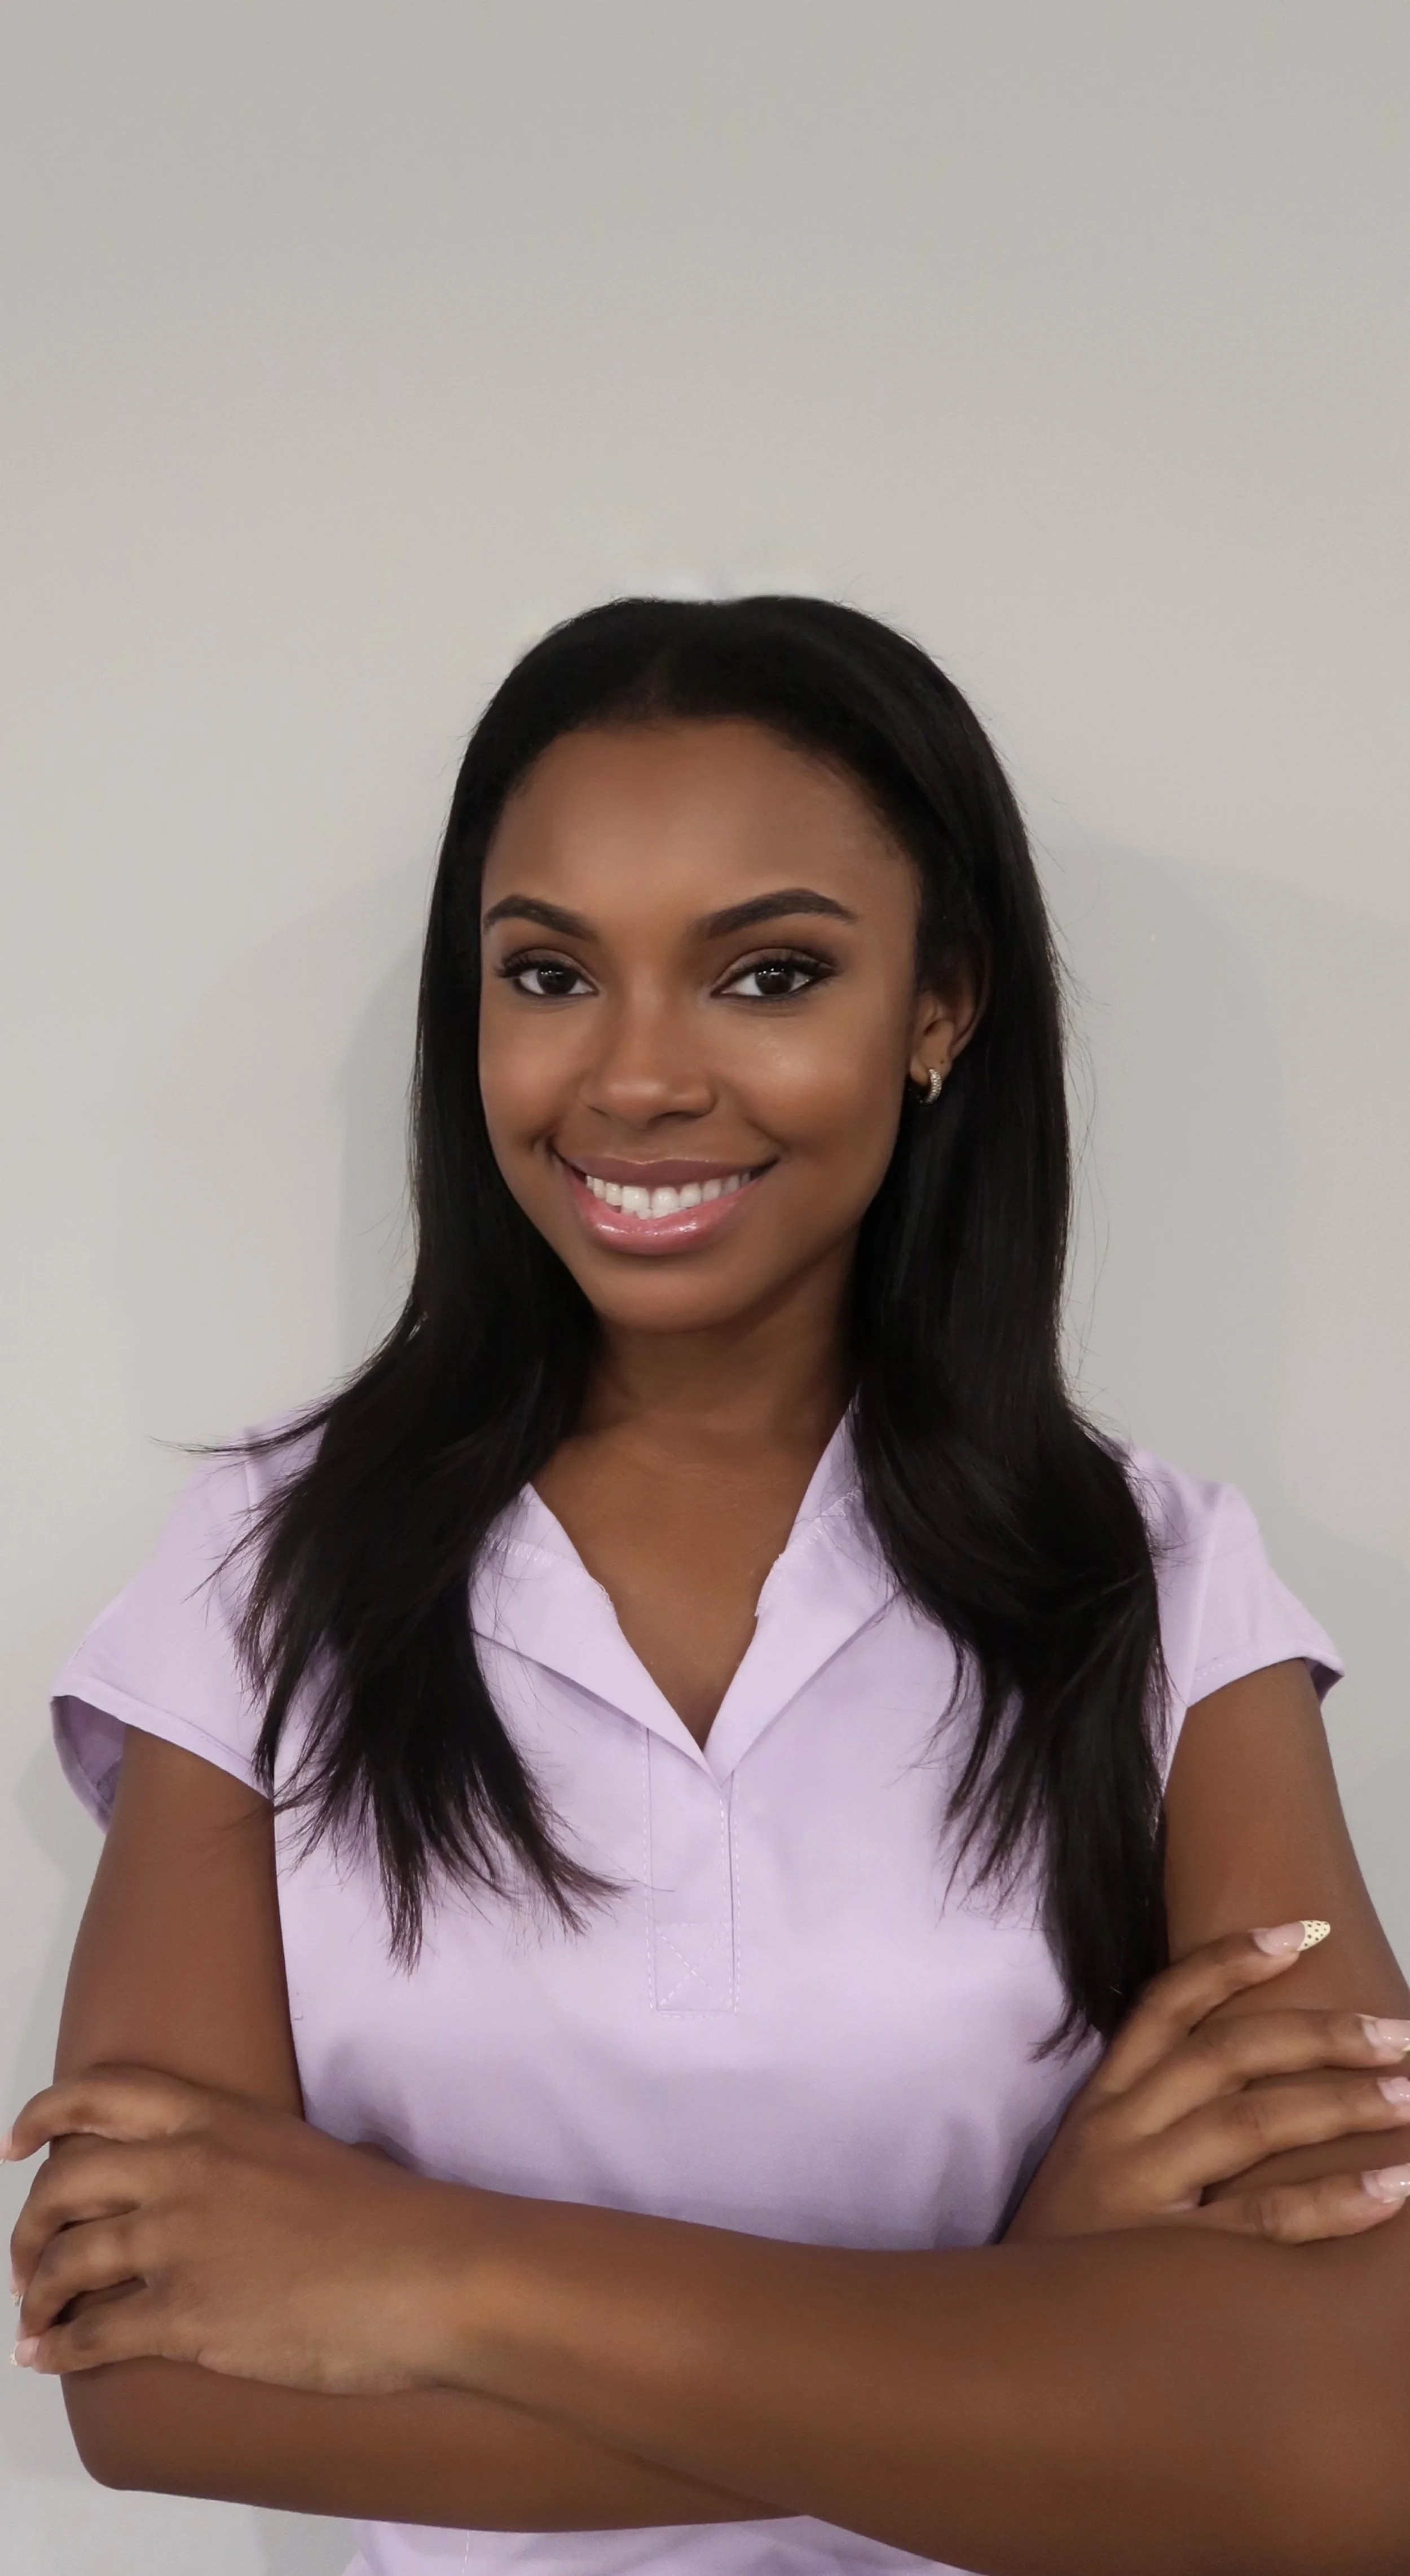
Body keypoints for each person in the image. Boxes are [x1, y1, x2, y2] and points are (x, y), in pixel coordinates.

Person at [8, 596, 1410, 2576]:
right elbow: (142, 2374)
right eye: (549, 971)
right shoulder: (260, 1575)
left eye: (766, 972)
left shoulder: (1166, 1590)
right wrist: (1032, 2316)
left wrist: (419, 2273)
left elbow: (1354, 2436)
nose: (636, 1077)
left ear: (940, 1010)